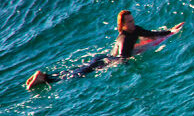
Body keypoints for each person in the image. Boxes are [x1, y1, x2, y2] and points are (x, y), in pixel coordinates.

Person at [25, 10, 183, 90]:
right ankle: (46, 78)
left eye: (133, 20)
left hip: (104, 57)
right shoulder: (126, 37)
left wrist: (170, 31)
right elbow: (122, 56)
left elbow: (151, 34)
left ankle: (45, 76)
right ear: (122, 25)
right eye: (129, 22)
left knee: (78, 70)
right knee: (78, 74)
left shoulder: (133, 30)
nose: (132, 23)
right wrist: (127, 65)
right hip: (107, 61)